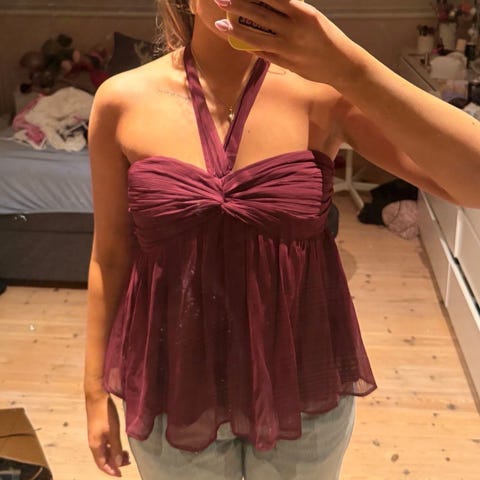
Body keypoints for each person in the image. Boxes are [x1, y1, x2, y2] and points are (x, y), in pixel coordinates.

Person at [84, 0, 480, 479]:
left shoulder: (322, 93)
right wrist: (93, 391)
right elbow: (110, 255)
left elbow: (473, 182)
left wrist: (346, 66)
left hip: (300, 376)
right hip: (176, 380)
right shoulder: (122, 101)